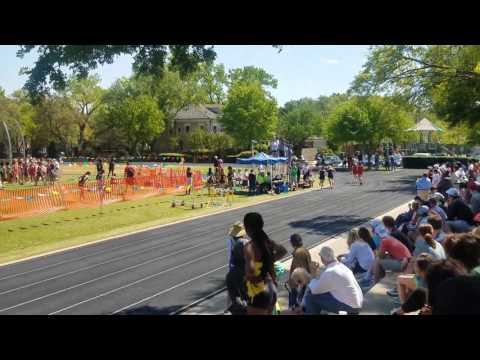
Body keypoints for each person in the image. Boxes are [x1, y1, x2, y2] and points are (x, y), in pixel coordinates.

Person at [303, 246, 363, 314]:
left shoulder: (330, 272)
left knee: (311, 297)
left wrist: (313, 272)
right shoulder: (341, 266)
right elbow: (322, 285)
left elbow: (315, 290)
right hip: (357, 304)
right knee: (322, 294)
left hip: (350, 308)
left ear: (322, 259)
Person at [243, 212, 278, 315]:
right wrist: (269, 261)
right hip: (271, 287)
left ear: (247, 228)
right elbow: (282, 250)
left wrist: (246, 278)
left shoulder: (250, 247)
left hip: (259, 291)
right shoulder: (268, 242)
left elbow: (251, 271)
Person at [225, 222, 249, 314]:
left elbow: (230, 256)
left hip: (234, 269)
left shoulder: (231, 242)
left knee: (234, 292)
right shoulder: (246, 243)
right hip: (244, 271)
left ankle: (229, 307)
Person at [288, 234, 314, 308]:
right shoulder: (304, 250)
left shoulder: (298, 253)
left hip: (299, 283)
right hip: (304, 281)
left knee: (295, 304)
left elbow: (298, 270)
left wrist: (293, 282)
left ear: (292, 243)